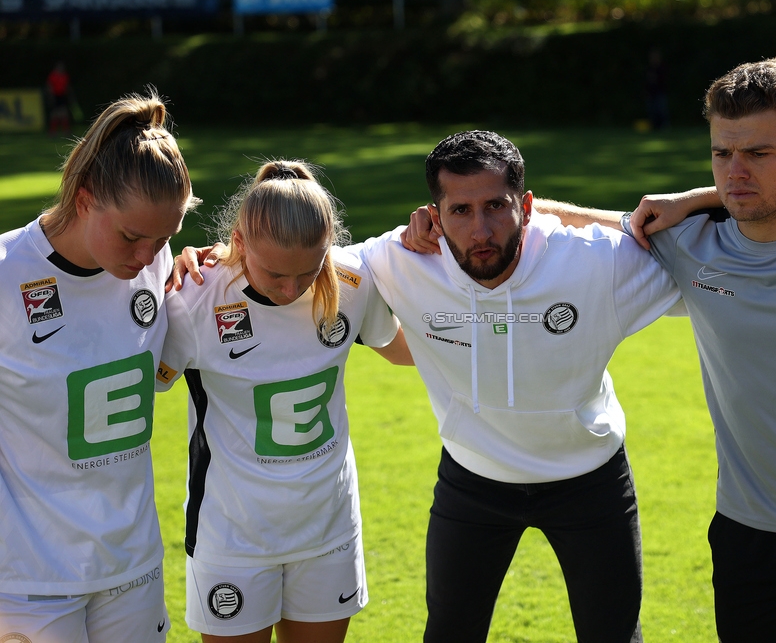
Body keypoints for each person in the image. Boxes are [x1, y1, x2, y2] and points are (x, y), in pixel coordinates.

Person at [403, 60, 776, 643]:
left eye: (759, 155)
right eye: (721, 155)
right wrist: (436, 225)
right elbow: (565, 222)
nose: (735, 173)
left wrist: (702, 194)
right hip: (748, 529)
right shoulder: (687, 245)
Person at [176, 131, 679, 642]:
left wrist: (661, 208)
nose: (480, 229)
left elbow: (702, 258)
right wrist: (216, 261)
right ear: (434, 217)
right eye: (460, 210)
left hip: (590, 478)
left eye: (496, 206)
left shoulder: (598, 261)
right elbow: (285, 258)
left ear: (525, 206)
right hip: (472, 481)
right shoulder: (389, 261)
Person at [156, 160, 412, 643]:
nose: (292, 290)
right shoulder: (195, 299)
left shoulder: (351, 282)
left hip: (328, 528)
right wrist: (162, 272)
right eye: (275, 273)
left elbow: (405, 352)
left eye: (308, 271)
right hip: (232, 535)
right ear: (239, 240)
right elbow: (142, 376)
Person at [0, 91, 198, 641]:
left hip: (132, 565)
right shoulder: (5, 276)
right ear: (85, 199)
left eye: (165, 238)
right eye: (133, 235)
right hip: (29, 579)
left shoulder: (158, 266)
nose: (145, 256)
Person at [46, 61, 72, 136]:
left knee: (64, 113)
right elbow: (49, 86)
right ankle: (52, 131)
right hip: (55, 96)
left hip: (62, 96)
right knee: (55, 114)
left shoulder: (65, 76)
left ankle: (66, 131)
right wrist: (51, 96)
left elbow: (67, 86)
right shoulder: (53, 75)